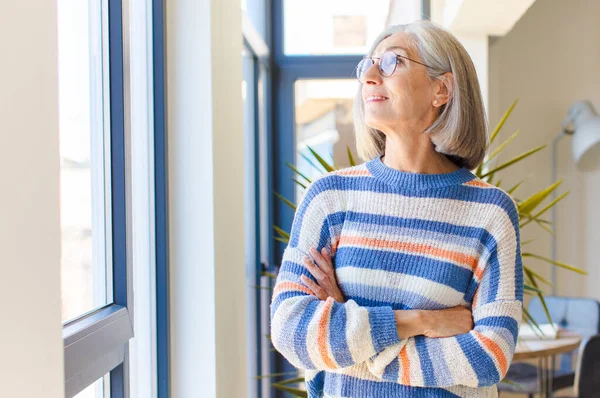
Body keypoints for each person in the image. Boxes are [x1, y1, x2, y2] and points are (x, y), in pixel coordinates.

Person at [270, 19, 523, 398]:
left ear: (442, 89)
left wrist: (349, 333)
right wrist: (417, 321)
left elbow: (489, 357)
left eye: (393, 62)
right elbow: (290, 331)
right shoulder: (330, 197)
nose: (370, 75)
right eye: (368, 64)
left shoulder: (490, 212)